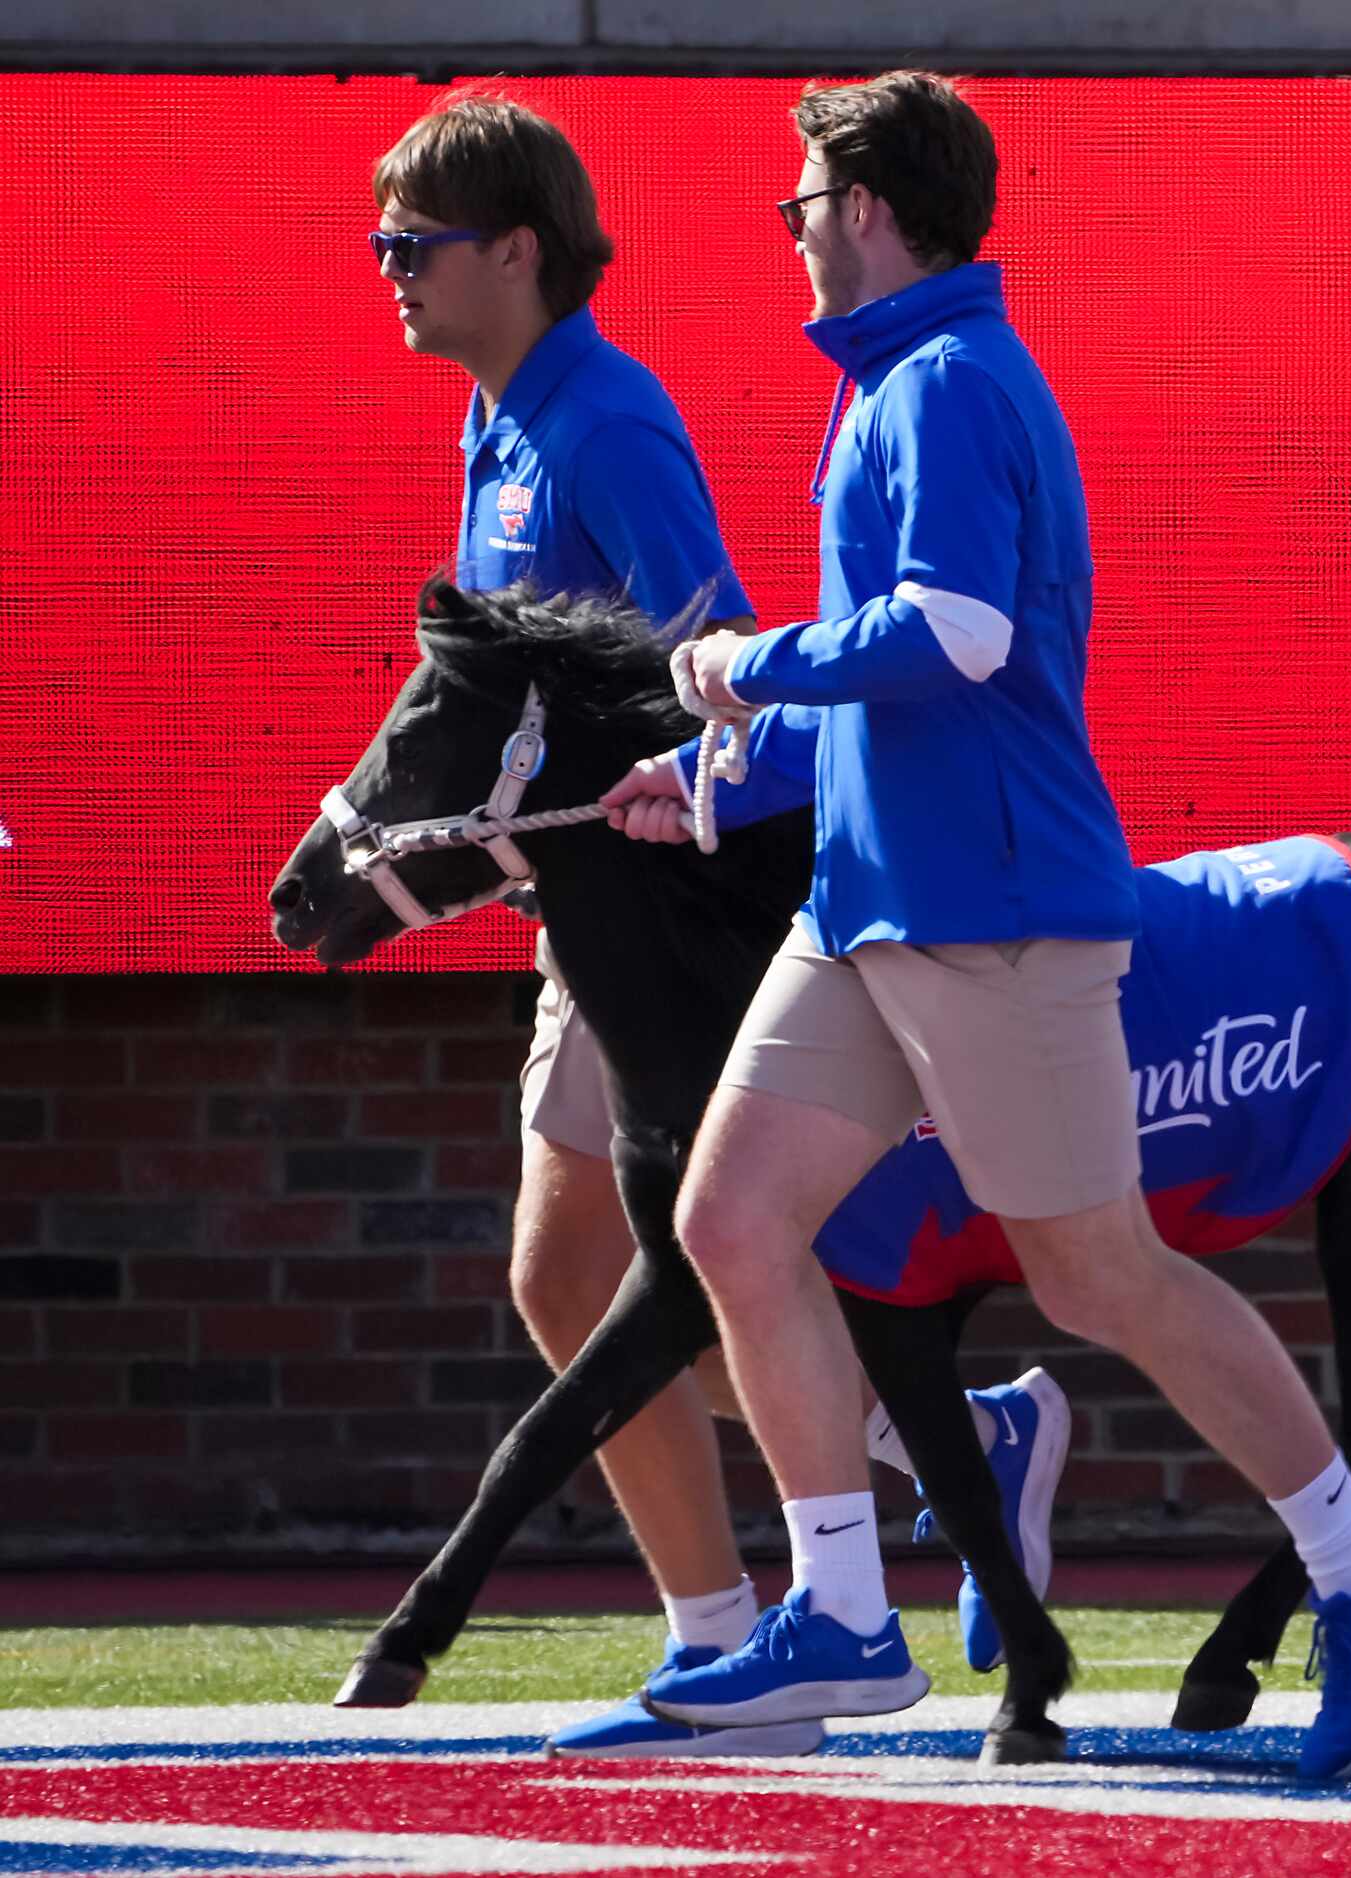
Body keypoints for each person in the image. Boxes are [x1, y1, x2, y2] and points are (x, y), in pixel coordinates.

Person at [600, 71, 1351, 1781]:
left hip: (994, 911)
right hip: (868, 910)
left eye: (799, 201)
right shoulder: (893, 390)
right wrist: (720, 777)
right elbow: (890, 680)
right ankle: (843, 1609)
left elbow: (962, 633)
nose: (787, 230)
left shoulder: (949, 385)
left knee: (1098, 1270)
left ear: (867, 206)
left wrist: (743, 664)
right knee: (735, 1219)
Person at [374, 94, 999, 1762]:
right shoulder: (499, 426)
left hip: (654, 914)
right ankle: (916, 1466)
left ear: (517, 250)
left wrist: (656, 804)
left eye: (412, 247)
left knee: (585, 1272)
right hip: (572, 918)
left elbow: (709, 645)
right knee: (581, 1281)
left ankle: (739, 1632)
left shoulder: (607, 419)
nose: (390, 276)